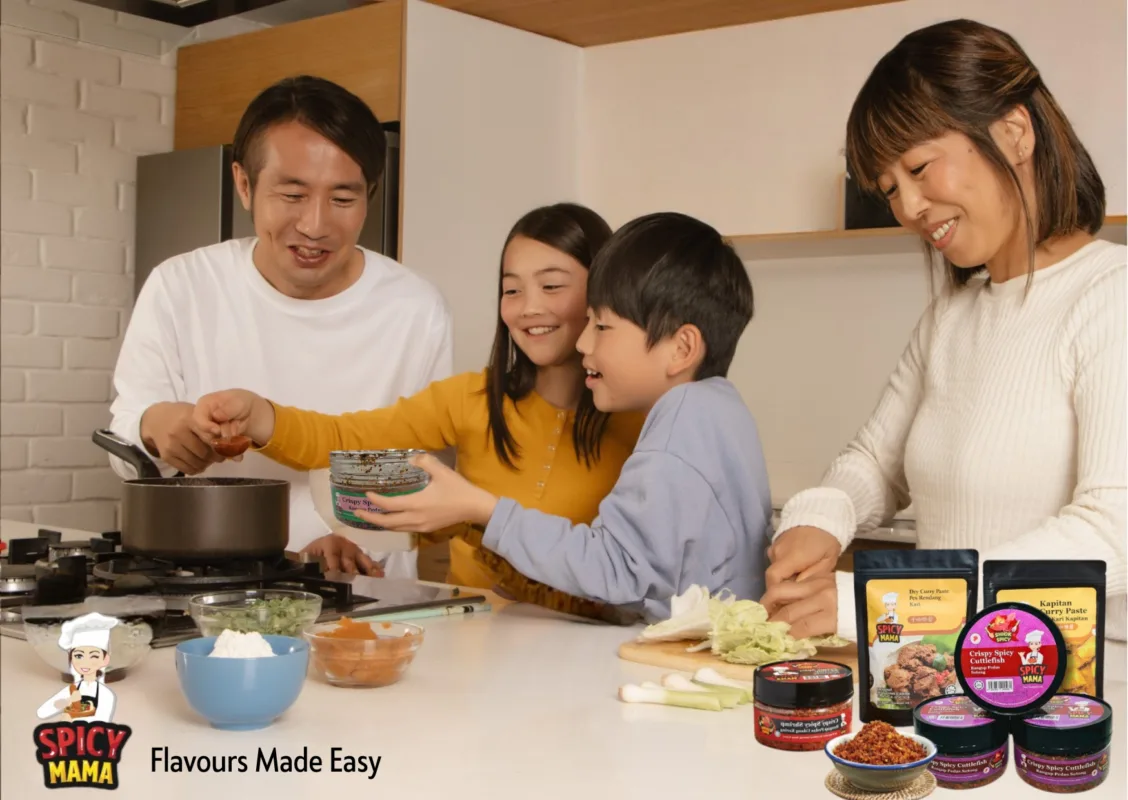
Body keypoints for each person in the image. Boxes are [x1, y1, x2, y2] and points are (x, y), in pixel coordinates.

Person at [761, 19, 1126, 642]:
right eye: (889, 190)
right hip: (947, 681)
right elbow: (876, 463)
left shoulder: (1109, 297)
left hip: (1071, 693)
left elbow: (1109, 530)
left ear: (1013, 132)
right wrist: (819, 517)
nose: (908, 208)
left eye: (919, 167)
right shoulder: (950, 318)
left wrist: (886, 605)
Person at [191, 203, 646, 619]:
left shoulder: (644, 423)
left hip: (585, 656)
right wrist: (258, 416)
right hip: (475, 648)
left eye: (551, 286)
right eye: (511, 290)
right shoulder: (472, 399)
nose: (529, 308)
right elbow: (350, 439)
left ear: (601, 291)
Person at [338, 212, 775, 623]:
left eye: (602, 327)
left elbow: (615, 571)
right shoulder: (723, 408)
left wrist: (484, 509)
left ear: (681, 348)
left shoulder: (677, 419)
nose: (585, 343)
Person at [107, 75, 453, 578]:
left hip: (365, 601)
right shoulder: (181, 285)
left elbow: (421, 466)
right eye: (292, 195)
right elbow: (126, 432)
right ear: (245, 185)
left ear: (370, 195)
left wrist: (356, 536)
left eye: (342, 199)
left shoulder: (415, 308)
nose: (315, 225)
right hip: (211, 582)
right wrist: (154, 427)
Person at [36, 613, 119, 723]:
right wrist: (67, 701)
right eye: (79, 656)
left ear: (105, 660)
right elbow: (43, 712)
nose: (85, 662)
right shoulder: (73, 689)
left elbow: (101, 723)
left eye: (94, 656)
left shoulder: (106, 695)